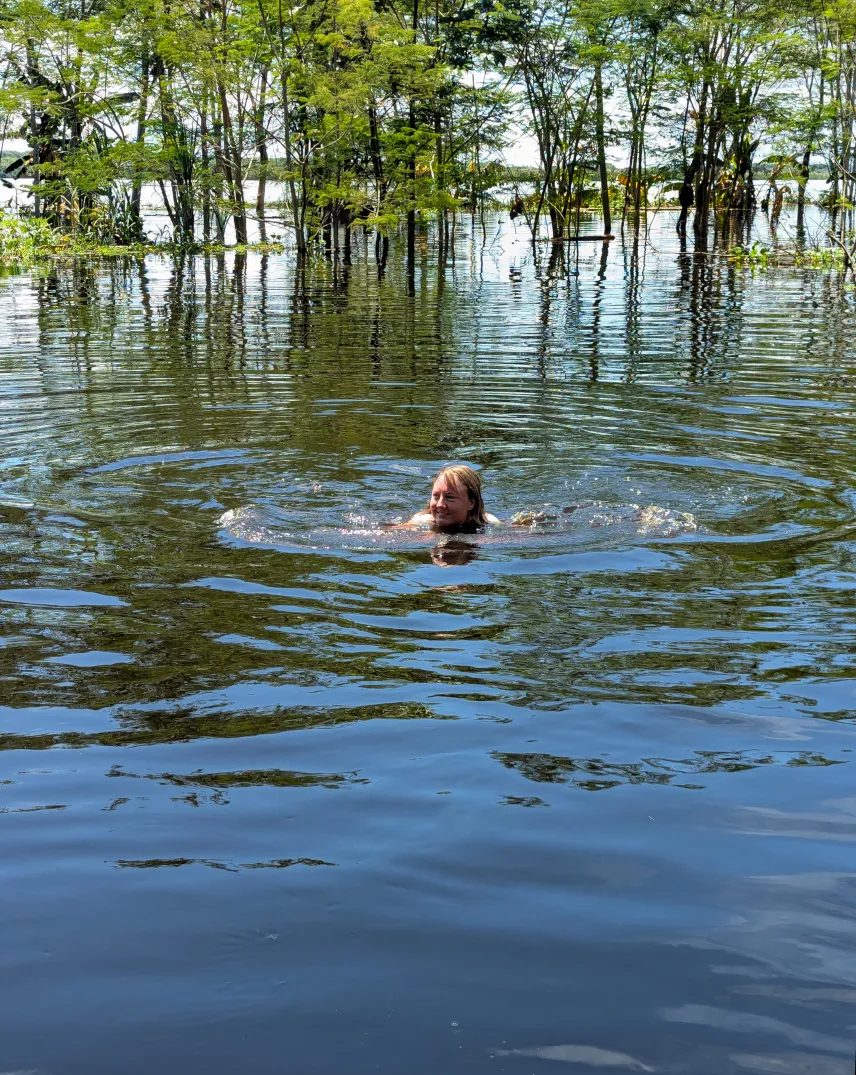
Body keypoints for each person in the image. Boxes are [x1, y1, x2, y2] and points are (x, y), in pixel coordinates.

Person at [400, 465, 501, 533]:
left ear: (471, 503)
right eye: (436, 496)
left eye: (450, 497)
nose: (440, 504)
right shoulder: (423, 521)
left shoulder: (489, 523)